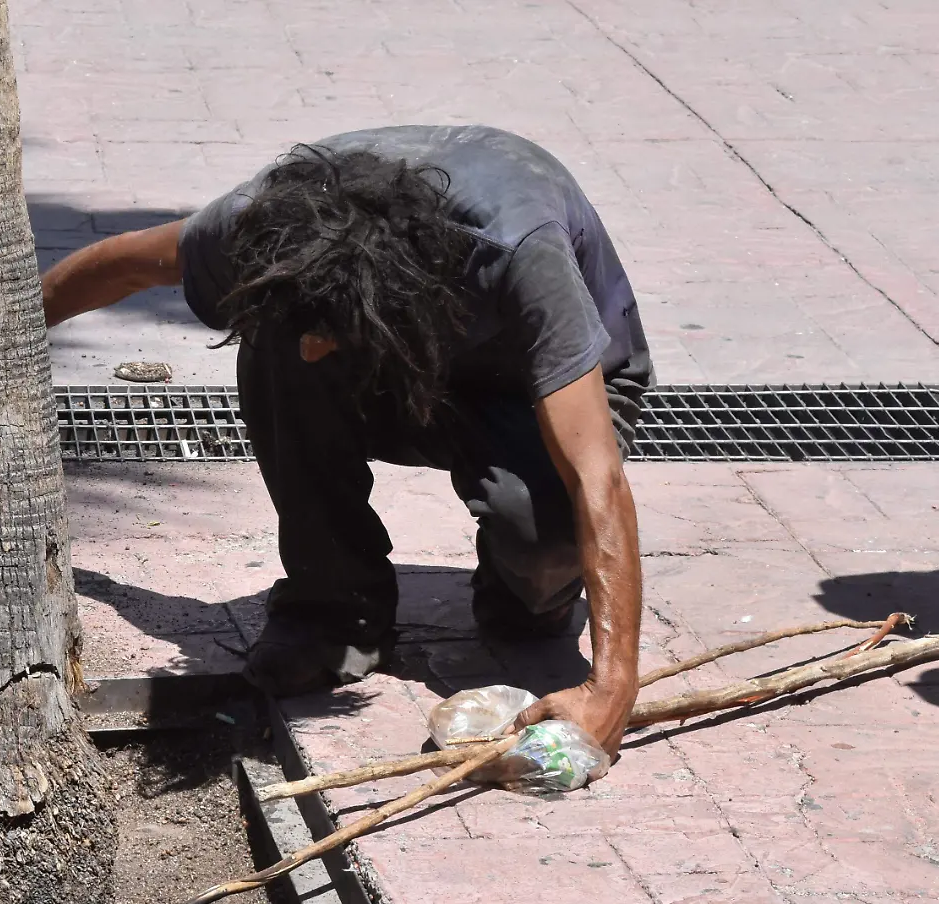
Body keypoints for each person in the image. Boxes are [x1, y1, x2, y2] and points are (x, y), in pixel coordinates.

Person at [40, 125, 651, 755]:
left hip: (531, 386)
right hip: (405, 363)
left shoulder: (514, 251)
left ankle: (530, 597)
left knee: (541, 539)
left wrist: (612, 689)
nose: (313, 346)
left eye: (327, 329)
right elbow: (126, 266)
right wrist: (4, 343)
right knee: (279, 350)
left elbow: (594, 474)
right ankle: (333, 612)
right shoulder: (268, 226)